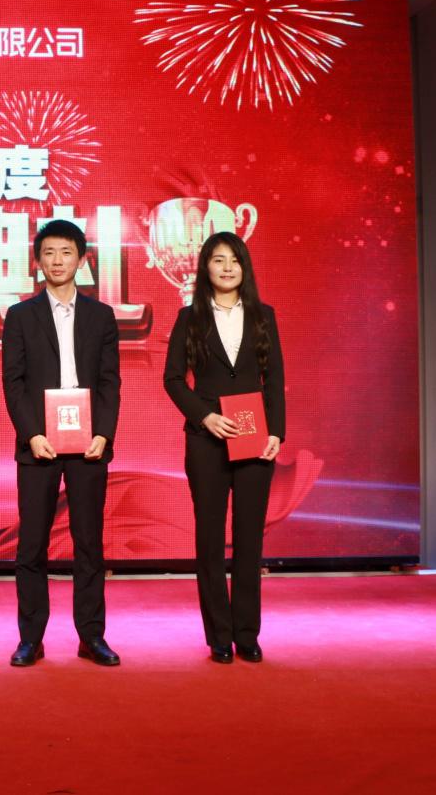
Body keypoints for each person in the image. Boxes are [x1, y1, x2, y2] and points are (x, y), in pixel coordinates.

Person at [2, 219, 122, 668]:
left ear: (82, 259)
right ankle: (30, 639)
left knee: (89, 543)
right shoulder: (20, 316)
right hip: (38, 444)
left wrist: (103, 433)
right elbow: (13, 383)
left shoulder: (101, 316)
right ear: (37, 261)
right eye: (49, 252)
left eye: (66, 252)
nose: (57, 260)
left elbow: (109, 381)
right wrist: (31, 433)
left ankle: (92, 636)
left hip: (89, 443)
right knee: (32, 544)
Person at [163, 231, 285, 664]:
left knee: (249, 539)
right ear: (206, 268)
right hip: (207, 441)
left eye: (234, 259)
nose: (227, 267)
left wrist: (276, 432)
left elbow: (274, 379)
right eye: (218, 260)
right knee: (210, 539)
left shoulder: (264, 316)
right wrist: (205, 416)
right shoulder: (190, 318)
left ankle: (247, 633)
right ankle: (218, 635)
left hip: (255, 438)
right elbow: (173, 379)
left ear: (244, 266)